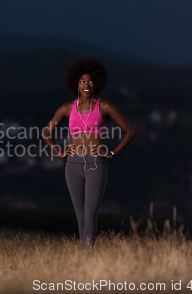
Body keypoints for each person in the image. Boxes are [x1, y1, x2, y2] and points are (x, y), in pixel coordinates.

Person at [41, 57, 137, 247]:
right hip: (72, 165)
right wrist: (60, 152)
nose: (86, 85)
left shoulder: (105, 106)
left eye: (91, 81)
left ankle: (86, 256)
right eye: (82, 81)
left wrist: (112, 153)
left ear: (97, 83)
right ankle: (85, 259)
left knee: (90, 214)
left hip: (95, 164)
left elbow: (130, 131)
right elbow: (46, 133)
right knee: (80, 216)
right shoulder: (67, 108)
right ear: (75, 83)